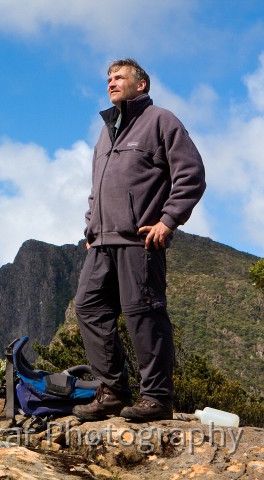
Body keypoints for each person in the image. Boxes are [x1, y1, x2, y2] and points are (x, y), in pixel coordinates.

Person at [72, 59, 206, 422]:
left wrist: (168, 221)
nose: (111, 83)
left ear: (141, 84)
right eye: (109, 78)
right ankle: (113, 390)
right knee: (89, 308)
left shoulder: (161, 121)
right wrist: (90, 228)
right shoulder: (106, 131)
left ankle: (157, 398)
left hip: (139, 241)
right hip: (101, 242)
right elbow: (96, 189)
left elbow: (191, 174)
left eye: (119, 78)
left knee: (143, 315)